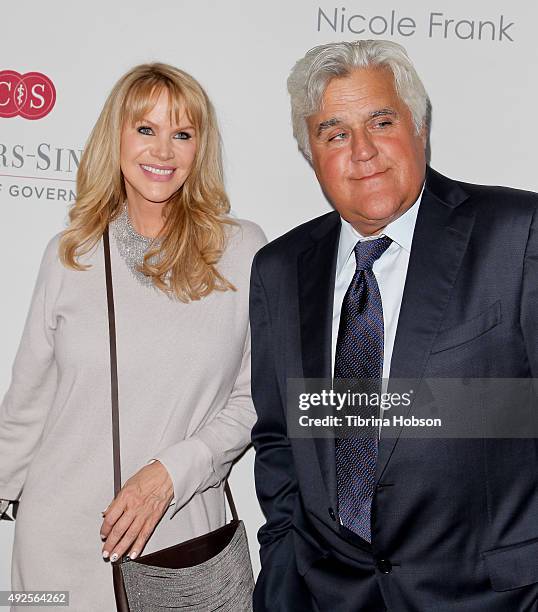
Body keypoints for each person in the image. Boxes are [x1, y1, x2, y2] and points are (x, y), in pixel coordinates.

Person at [250, 39, 538, 611]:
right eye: (335, 133)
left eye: (381, 121)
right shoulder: (280, 269)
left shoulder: (518, 234)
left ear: (420, 128)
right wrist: (283, 577)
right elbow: (280, 439)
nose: (363, 152)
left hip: (494, 598)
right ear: (311, 154)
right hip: (327, 596)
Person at [0, 63, 265, 610]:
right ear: (116, 137)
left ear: (200, 147)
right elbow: (29, 398)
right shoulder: (69, 253)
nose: (163, 150)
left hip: (181, 541)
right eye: (146, 129)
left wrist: (173, 471)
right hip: (60, 544)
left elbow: (257, 394)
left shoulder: (242, 251)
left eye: (182, 133)